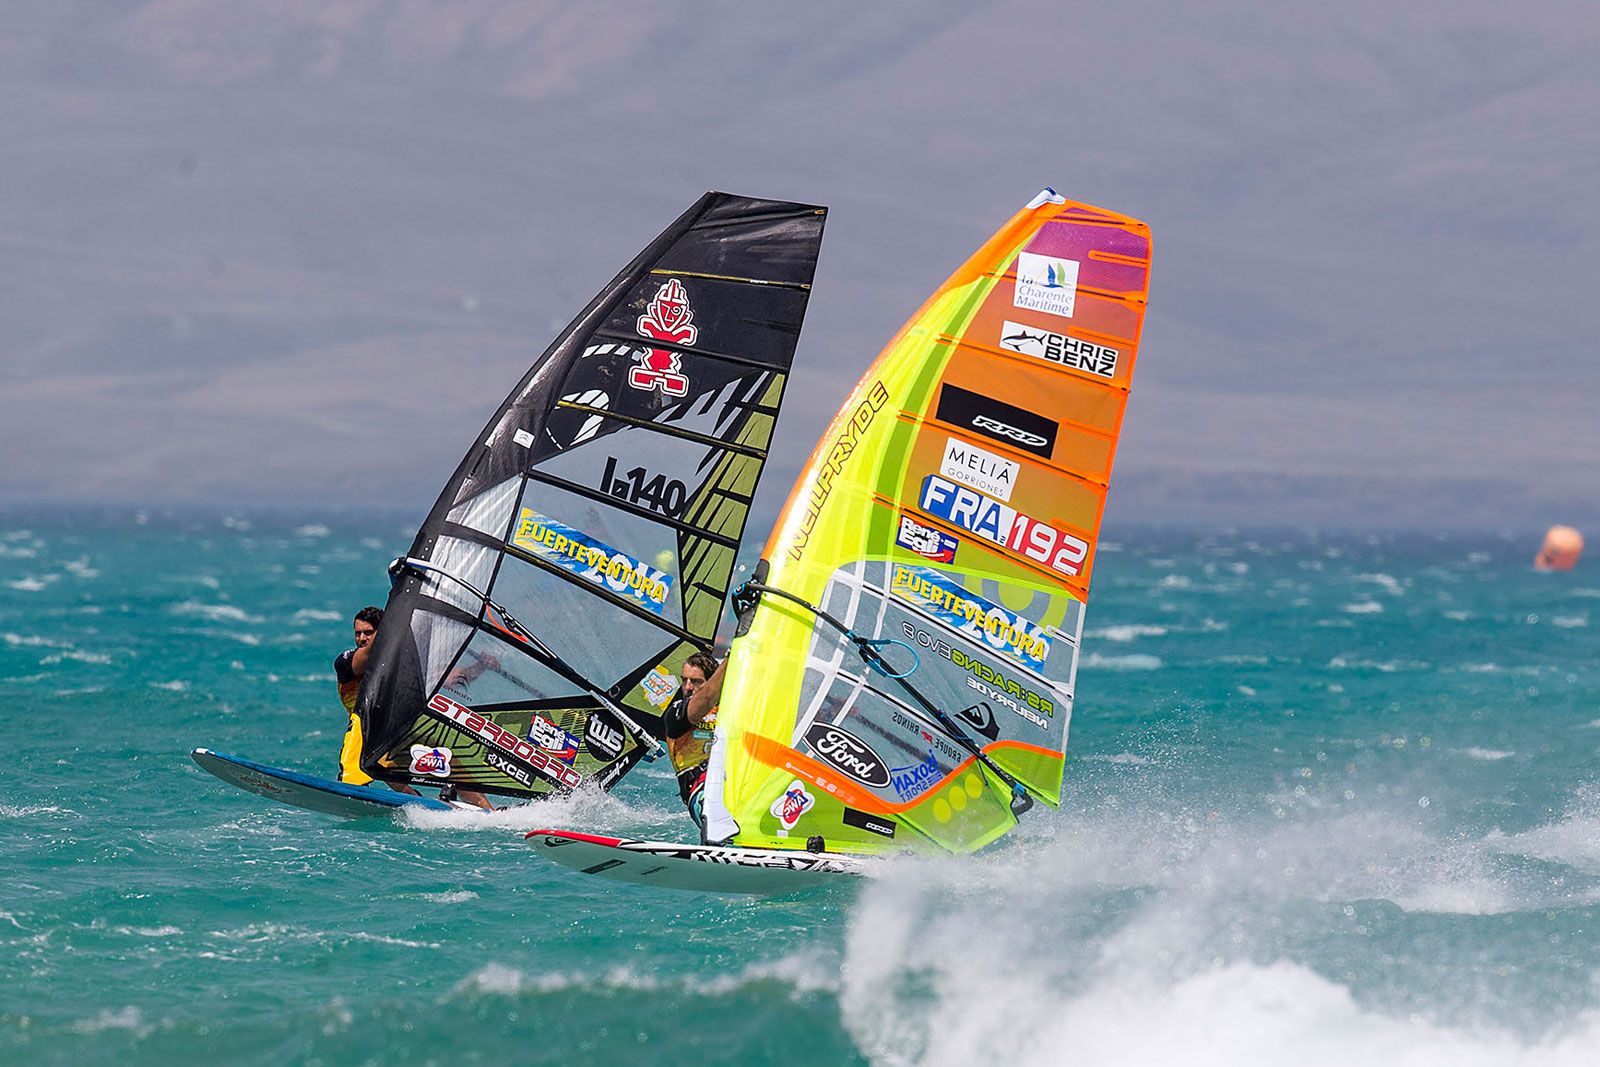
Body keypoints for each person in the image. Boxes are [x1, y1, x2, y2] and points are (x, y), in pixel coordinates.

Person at [335, 607, 493, 810]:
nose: (361, 638)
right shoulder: (346, 661)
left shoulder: (402, 664)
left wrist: (481, 666)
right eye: (358, 633)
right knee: (384, 774)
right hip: (367, 737)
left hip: (397, 735)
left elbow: (450, 677)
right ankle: (354, 790)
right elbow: (367, 658)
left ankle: (489, 812)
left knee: (449, 764)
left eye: (368, 632)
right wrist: (396, 628)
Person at [661, 651, 723, 830]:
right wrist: (733, 654)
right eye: (684, 680)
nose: (687, 687)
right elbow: (707, 698)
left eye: (696, 681)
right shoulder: (675, 714)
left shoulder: (730, 710)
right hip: (700, 792)